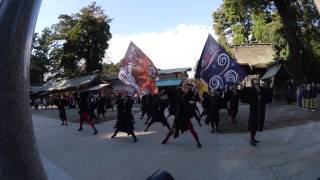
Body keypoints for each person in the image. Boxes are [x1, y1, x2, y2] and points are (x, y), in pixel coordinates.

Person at [240, 78, 273, 147]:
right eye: (255, 83)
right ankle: (252, 139)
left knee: (258, 124)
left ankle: (254, 138)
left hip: (260, 110)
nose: (256, 84)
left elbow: (269, 89)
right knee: (253, 125)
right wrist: (241, 85)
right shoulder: (251, 90)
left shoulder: (262, 89)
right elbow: (244, 90)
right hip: (254, 110)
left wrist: (272, 81)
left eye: (257, 83)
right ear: (253, 84)